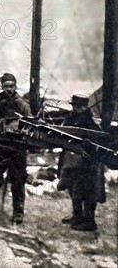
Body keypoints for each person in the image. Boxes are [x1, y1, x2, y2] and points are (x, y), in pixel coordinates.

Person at [0, 72, 32, 223]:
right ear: (2, 87)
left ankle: (18, 211)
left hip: (17, 149)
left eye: (11, 86)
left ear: (15, 87)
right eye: (6, 86)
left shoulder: (22, 104)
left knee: (18, 181)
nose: (9, 89)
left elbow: (31, 124)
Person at [57, 94, 106, 231]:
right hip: (71, 160)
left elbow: (96, 139)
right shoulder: (70, 118)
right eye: (74, 106)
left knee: (87, 191)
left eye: (78, 107)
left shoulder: (89, 122)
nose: (75, 109)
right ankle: (77, 215)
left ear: (84, 107)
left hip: (87, 163)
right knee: (72, 187)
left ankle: (89, 221)